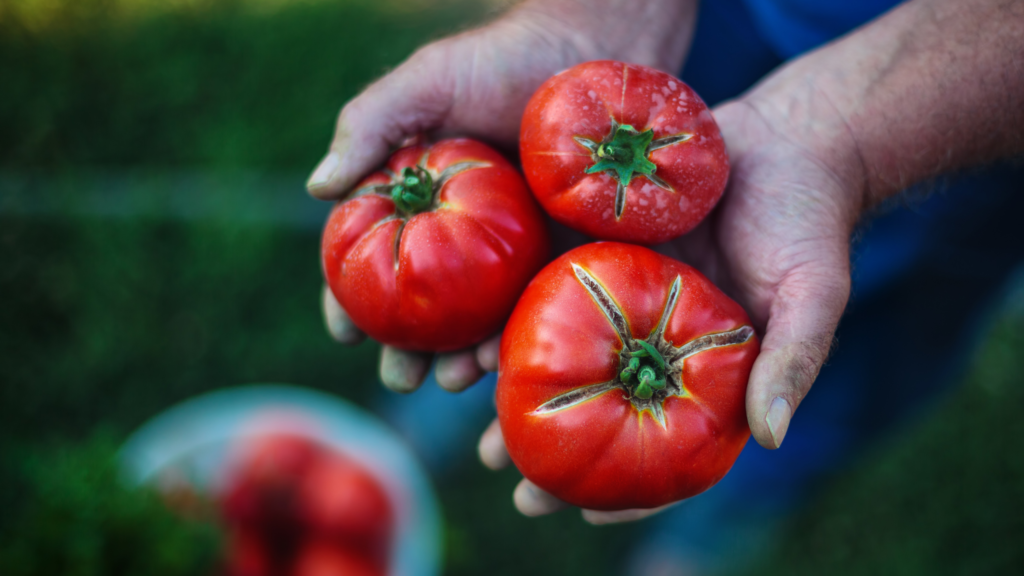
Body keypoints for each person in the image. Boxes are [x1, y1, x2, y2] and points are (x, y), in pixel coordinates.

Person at [306, 0, 1024, 556]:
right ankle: (457, 402)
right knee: (772, 362)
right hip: (713, 23)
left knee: (843, 364)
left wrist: (852, 135)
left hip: (975, 103)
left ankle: (736, 507)